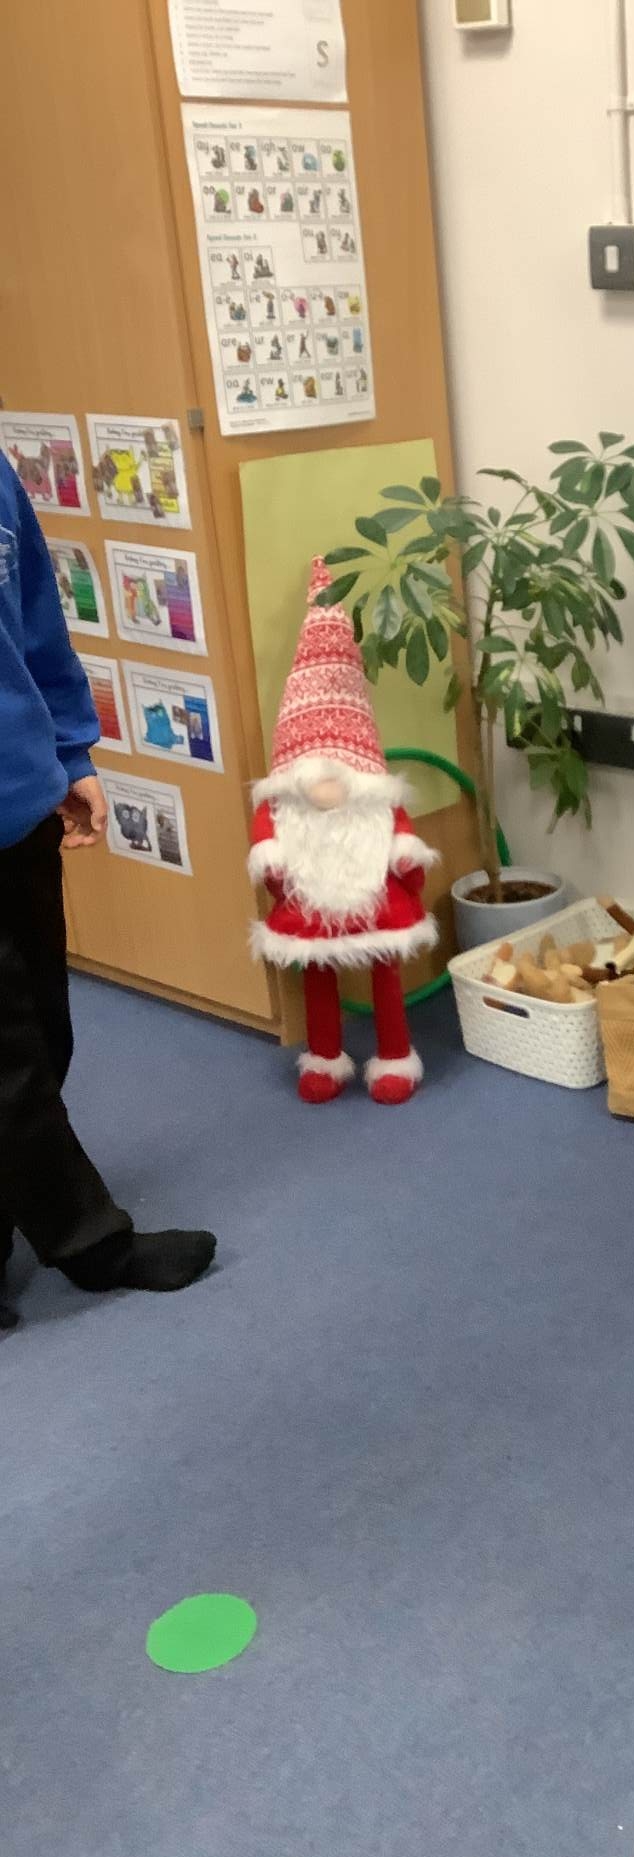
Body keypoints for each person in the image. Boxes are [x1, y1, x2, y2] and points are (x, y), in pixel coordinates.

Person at [0, 458, 216, 1332]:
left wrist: (70, 752)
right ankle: (92, 1244)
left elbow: (35, 625)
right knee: (7, 1057)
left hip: (17, 796)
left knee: (45, 1027)